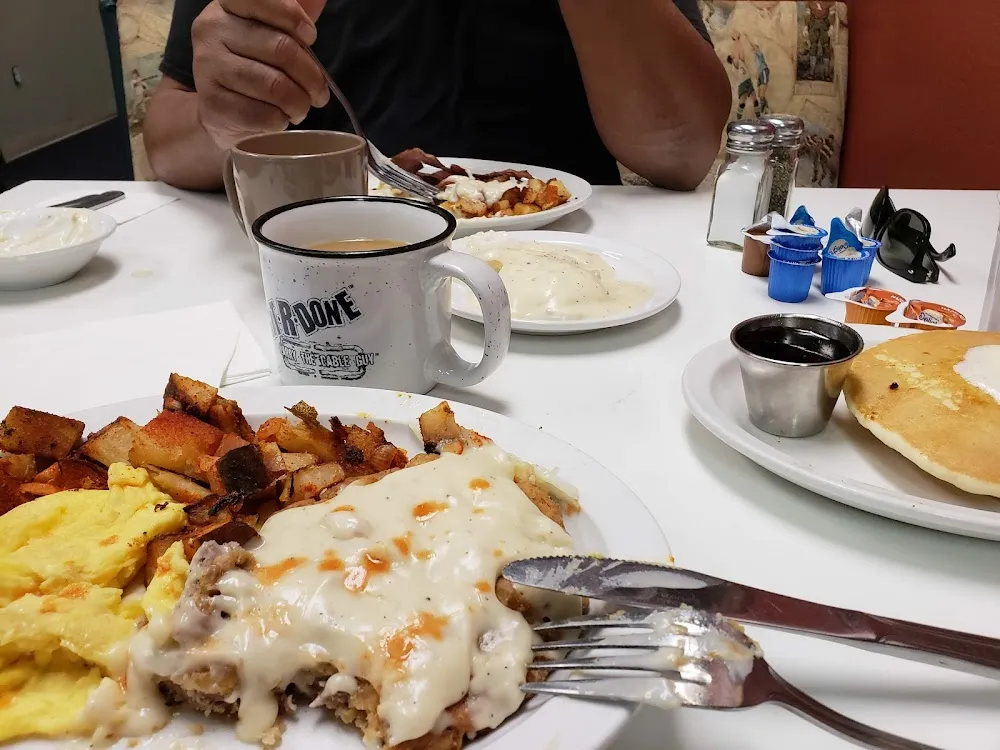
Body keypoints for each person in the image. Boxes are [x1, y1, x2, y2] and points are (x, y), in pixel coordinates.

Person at [144, 0, 731, 192]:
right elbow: (167, 145)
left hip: (568, 276)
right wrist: (227, 119)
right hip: (323, 262)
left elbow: (683, 153)